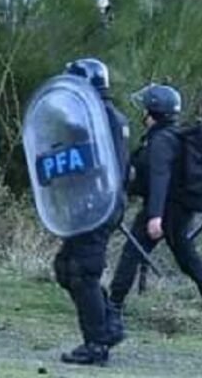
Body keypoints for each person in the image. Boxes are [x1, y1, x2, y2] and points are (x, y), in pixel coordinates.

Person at [108, 83, 202, 334]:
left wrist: (155, 217)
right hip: (179, 208)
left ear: (153, 113)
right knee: (186, 256)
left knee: (132, 253)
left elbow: (159, 178)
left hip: (165, 209)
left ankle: (113, 307)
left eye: (146, 109)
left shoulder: (161, 140)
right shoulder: (173, 135)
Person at [53, 57, 129, 366]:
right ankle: (109, 324)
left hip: (97, 203)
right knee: (66, 267)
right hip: (97, 203)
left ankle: (97, 344)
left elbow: (90, 163)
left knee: (82, 272)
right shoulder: (109, 115)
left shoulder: (97, 117)